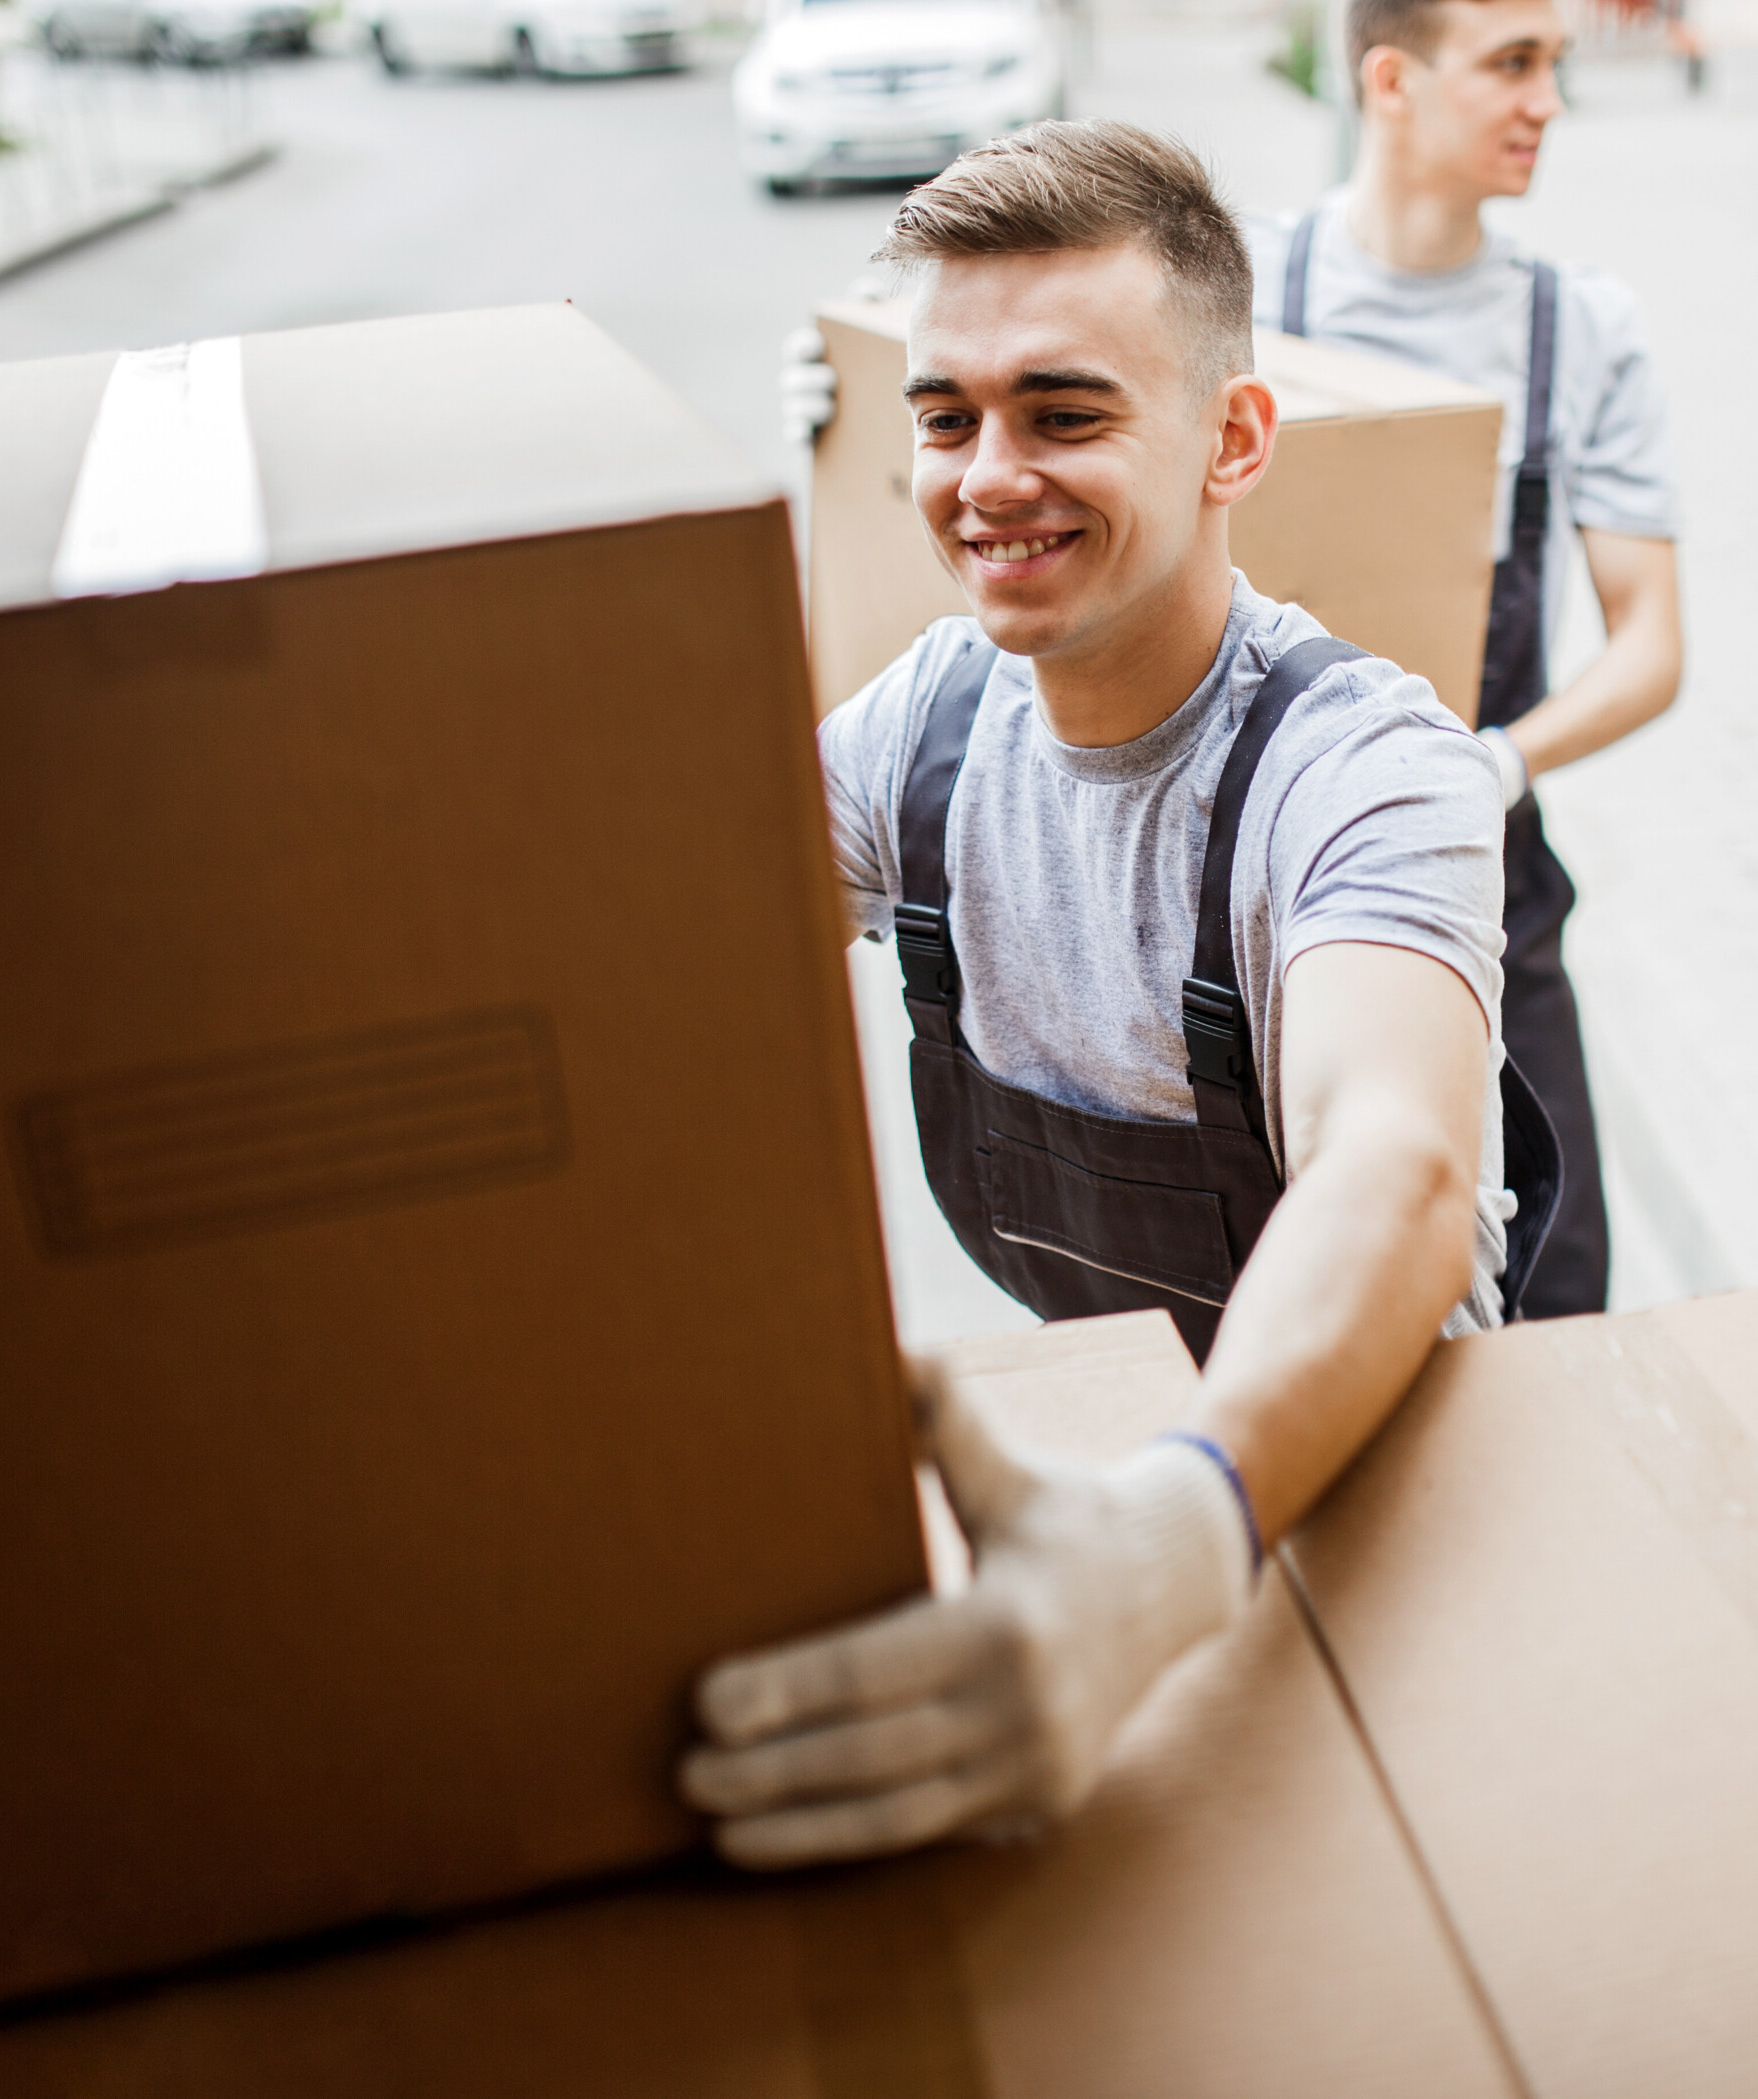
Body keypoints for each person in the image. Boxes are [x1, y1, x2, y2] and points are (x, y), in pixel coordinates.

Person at [681, 119, 1558, 1871]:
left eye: (1063, 414)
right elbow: (667, 972)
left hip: (1378, 1500)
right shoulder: (923, 732)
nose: (986, 475)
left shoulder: (1368, 768)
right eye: (945, 420)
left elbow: (1394, 1166)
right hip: (1103, 1459)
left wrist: (1169, 1543)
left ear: (1234, 439)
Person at [1247, 0, 1683, 1319]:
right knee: (1285, 1293)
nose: (1547, 99)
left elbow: (1651, 646)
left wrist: (1493, 763)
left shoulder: (1580, 330)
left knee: (1557, 1297)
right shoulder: (1245, 295)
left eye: (1550, 64)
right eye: (1511, 65)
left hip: (1493, 884)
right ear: (1389, 78)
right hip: (1255, 887)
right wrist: (865, 400)